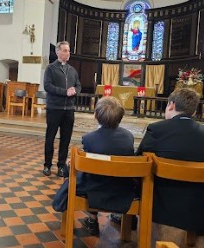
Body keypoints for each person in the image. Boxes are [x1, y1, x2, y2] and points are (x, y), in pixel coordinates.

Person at [136, 88, 204, 234]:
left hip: (160, 197)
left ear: (171, 105)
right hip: (196, 200)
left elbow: (140, 160)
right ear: (193, 112)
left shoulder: (157, 129)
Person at [57, 96, 136, 236]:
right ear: (120, 117)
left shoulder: (89, 138)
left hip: (94, 190)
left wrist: (73, 163)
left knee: (85, 174)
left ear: (95, 115)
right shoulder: (128, 137)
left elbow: (87, 163)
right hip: (122, 189)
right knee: (101, 175)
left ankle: (93, 219)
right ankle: (121, 220)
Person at [43, 41, 81, 177]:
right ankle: (47, 165)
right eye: (65, 50)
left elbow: (78, 85)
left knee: (65, 139)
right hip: (54, 108)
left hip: (69, 110)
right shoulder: (51, 68)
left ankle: (61, 165)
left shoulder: (72, 70)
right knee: (50, 137)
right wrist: (65, 92)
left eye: (69, 51)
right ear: (58, 52)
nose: (67, 53)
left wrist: (74, 90)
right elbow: (47, 86)